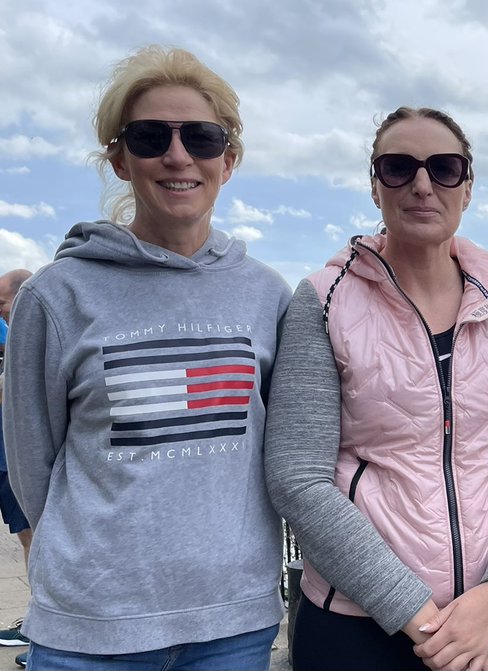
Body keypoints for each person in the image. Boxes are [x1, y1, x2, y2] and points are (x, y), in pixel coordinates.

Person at [1, 45, 290, 669]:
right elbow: (32, 466)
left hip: (233, 625)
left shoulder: (267, 294)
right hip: (90, 632)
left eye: (202, 138)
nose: (178, 156)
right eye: (151, 136)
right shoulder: (55, 296)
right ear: (120, 158)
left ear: (229, 160)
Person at [265, 106, 488, 671]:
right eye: (399, 167)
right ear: (375, 186)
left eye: (445, 168)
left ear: (468, 186)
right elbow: (297, 476)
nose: (423, 185)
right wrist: (421, 618)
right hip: (357, 624)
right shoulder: (325, 300)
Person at [0, 270, 34, 663]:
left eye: (2, 304)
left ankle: (39, 628)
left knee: (33, 537)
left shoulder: (26, 337)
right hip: (10, 457)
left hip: (15, 459)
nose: (2, 314)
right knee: (29, 537)